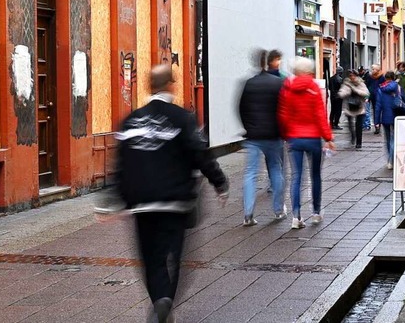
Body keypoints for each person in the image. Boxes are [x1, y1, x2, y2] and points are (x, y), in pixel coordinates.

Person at [98, 64, 229, 323]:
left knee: (151, 258)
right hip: (175, 201)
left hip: (142, 203)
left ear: (149, 86)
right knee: (174, 256)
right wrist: (219, 181)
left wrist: (112, 200)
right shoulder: (182, 118)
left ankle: (159, 300)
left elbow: (121, 164)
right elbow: (199, 153)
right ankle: (166, 300)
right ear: (171, 85)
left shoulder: (131, 120)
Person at [278, 57, 335, 229]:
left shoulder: (287, 88)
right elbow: (320, 115)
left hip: (295, 139)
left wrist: (286, 135)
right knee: (315, 176)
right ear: (308, 72)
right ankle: (316, 213)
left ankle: (296, 217)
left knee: (297, 177)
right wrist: (328, 137)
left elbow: (283, 115)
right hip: (313, 139)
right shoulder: (313, 88)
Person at [239, 51, 286, 226]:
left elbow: (241, 108)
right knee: (276, 169)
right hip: (273, 136)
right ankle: (278, 210)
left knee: (250, 173)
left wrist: (248, 127)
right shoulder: (277, 83)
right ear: (268, 63)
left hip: (253, 136)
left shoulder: (249, 83)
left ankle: (248, 214)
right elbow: (283, 109)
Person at [375, 71, 401, 170]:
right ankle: (392, 160)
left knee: (388, 138)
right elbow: (403, 99)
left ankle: (389, 161)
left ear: (385, 78)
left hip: (385, 117)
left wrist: (377, 121)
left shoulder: (381, 89)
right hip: (397, 114)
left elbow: (378, 106)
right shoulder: (397, 87)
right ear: (393, 78)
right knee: (394, 138)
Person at [338, 69, 369, 148]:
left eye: (353, 75)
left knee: (359, 126)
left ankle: (359, 142)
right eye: (350, 75)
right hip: (349, 107)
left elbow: (366, 93)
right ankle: (353, 136)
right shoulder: (346, 83)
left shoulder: (361, 83)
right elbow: (341, 92)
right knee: (350, 125)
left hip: (359, 107)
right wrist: (346, 92)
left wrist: (356, 90)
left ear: (356, 75)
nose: (352, 77)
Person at [366, 64, 385, 134]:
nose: (372, 70)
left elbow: (384, 86)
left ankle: (379, 125)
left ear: (377, 70)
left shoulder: (382, 77)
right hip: (372, 97)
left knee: (379, 112)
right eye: (372, 69)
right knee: (374, 112)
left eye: (373, 69)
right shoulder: (370, 77)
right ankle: (376, 126)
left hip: (380, 97)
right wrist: (367, 96)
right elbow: (367, 86)